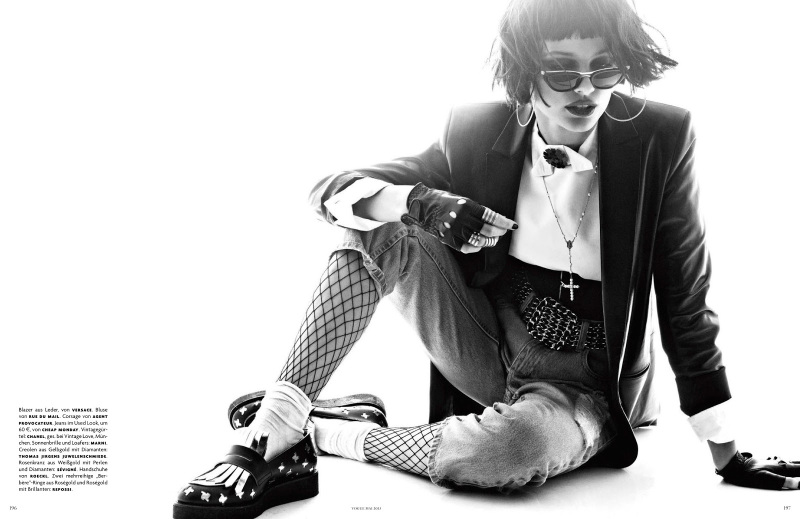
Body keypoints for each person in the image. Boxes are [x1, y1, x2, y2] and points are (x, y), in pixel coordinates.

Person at [173, 0, 800, 517]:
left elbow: (687, 296)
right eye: (562, 72)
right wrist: (421, 203)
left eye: (603, 68)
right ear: (525, 73)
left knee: (504, 454)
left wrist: (727, 453)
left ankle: (326, 432)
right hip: (489, 342)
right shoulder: (476, 130)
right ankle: (275, 430)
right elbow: (330, 194)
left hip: (588, 382)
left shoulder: (661, 136)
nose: (586, 89)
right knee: (380, 223)